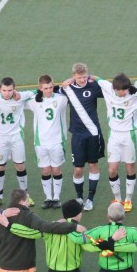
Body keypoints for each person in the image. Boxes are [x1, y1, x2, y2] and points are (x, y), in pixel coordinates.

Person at [94, 73, 137, 211]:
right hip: (114, 135)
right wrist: (71, 80)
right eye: (120, 92)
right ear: (115, 89)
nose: (123, 94)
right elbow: (96, 78)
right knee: (112, 169)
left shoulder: (135, 94)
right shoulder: (109, 88)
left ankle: (128, 199)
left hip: (129, 135)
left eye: (125, 91)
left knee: (130, 167)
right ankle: (117, 198)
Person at [0, 77, 36, 207]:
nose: (7, 93)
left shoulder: (21, 97)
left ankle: (26, 196)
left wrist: (19, 94)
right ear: (0, 89)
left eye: (10, 90)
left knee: (20, 166)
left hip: (16, 137)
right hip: (0, 138)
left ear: (14, 89)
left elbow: (36, 91)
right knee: (0, 166)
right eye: (4, 90)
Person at [60, 63, 104, 211]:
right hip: (78, 135)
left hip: (93, 134)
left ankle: (90, 199)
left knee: (93, 165)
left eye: (85, 76)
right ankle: (79, 197)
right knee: (78, 169)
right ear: (73, 76)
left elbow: (108, 86)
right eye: (79, 78)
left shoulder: (93, 86)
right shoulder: (67, 89)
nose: (82, 80)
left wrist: (93, 77)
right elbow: (49, 91)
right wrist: (67, 82)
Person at [25, 75, 68, 209]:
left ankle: (56, 197)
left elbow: (70, 89)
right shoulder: (33, 101)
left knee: (56, 169)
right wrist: (34, 93)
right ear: (40, 88)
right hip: (40, 142)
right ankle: (48, 197)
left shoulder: (61, 98)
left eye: (50, 87)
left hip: (57, 141)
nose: (49, 90)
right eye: (45, 88)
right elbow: (18, 99)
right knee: (45, 170)